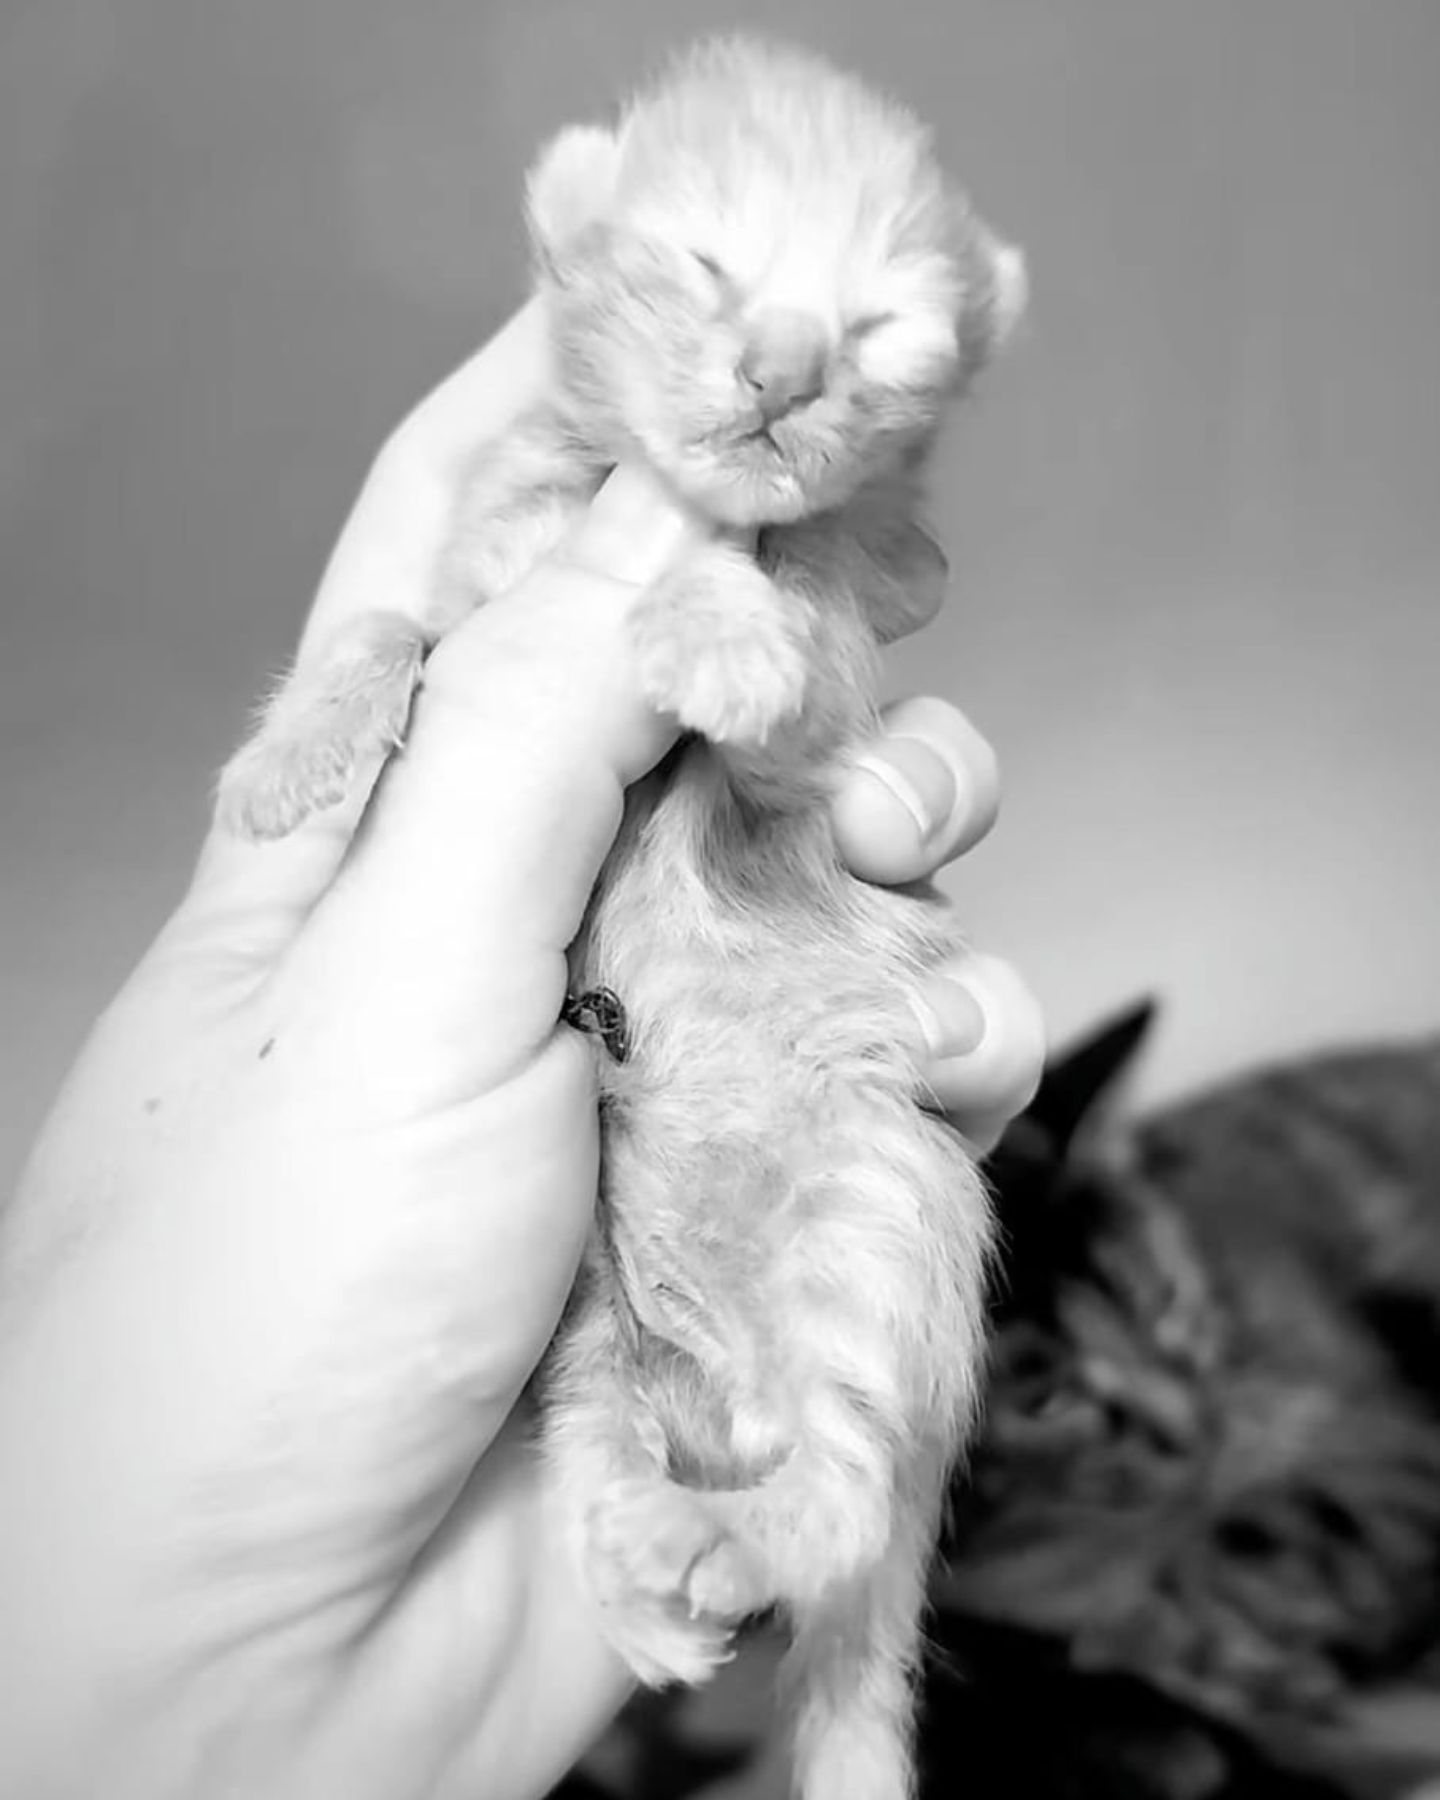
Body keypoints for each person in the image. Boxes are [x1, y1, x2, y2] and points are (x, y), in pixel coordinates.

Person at [0, 302, 1046, 1800]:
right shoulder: (540, 501)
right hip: (604, 1205)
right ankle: (772, 1577)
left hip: (774, 1068)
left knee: (874, 1234)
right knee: (632, 1371)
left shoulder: (796, 528)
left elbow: (856, 612)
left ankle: (813, 1578)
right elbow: (435, 640)